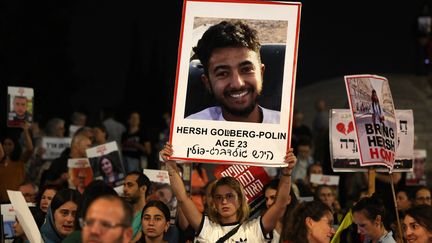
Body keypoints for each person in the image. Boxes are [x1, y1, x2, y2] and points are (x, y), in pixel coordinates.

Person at [160, 142, 296, 242]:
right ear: (214, 202)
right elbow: (183, 198)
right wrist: (171, 168)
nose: (224, 201)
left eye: (230, 196)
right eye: (219, 197)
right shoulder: (206, 227)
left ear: (240, 200)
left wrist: (287, 173)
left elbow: (280, 204)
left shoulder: (254, 229)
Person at [186, 20, 280, 123]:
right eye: (223, 73)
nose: (237, 84)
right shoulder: (190, 127)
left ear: (261, 73)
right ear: (207, 83)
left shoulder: (285, 125)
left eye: (246, 69)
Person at [0, 123, 34, 203]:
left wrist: (25, 130)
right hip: (1, 200)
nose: (7, 146)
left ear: (15, 146)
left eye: (10, 144)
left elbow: (30, 149)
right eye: (5, 144)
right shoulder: (0, 161)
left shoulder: (20, 161)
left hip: (17, 200)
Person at [123, 171, 152, 242]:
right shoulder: (121, 212)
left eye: (130, 185)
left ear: (143, 189)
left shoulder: (149, 215)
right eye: (124, 185)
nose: (125, 189)